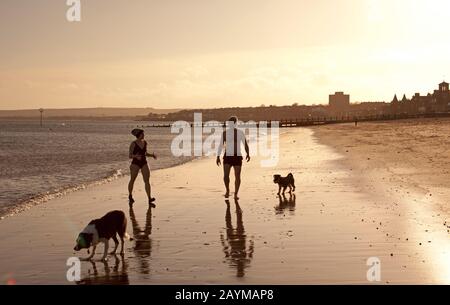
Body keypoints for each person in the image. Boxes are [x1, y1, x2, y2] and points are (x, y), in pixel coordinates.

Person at [216, 116, 250, 199]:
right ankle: (227, 190)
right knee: (226, 176)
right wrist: (218, 156)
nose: (230, 125)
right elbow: (221, 145)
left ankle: (236, 193)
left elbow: (245, 144)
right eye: (229, 123)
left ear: (235, 123)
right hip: (227, 156)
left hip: (237, 156)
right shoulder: (224, 133)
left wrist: (248, 154)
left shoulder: (240, 133)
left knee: (237, 176)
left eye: (232, 123)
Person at [128, 128, 157, 207]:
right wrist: (136, 156)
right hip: (135, 164)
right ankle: (130, 196)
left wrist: (152, 155)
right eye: (142, 134)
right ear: (139, 135)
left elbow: (145, 153)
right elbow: (130, 155)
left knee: (147, 181)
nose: (144, 135)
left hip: (144, 163)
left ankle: (149, 198)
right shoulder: (133, 143)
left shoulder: (145, 142)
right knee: (132, 180)